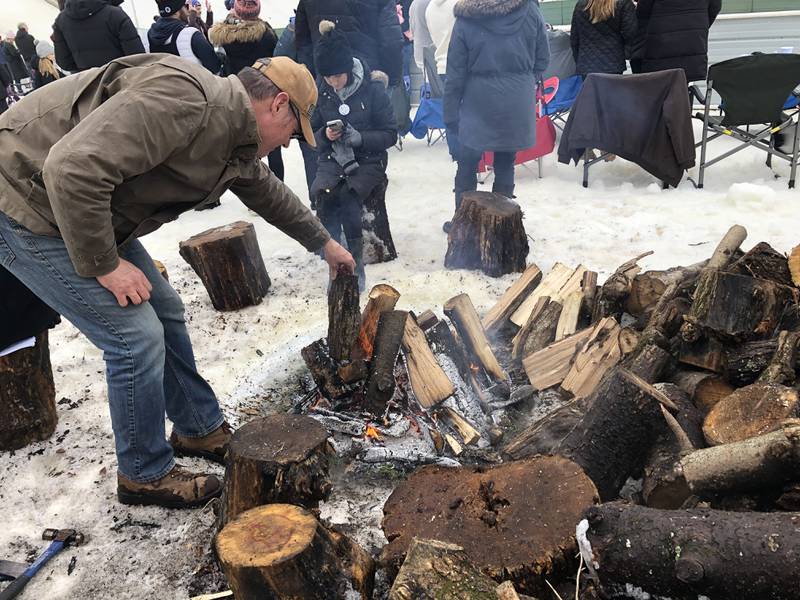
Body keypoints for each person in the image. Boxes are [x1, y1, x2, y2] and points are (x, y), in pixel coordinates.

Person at [0, 53, 355, 508]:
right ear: (278, 104)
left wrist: (323, 244)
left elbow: (264, 190)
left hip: (86, 206)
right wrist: (105, 265)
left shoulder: (229, 132)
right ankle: (143, 474)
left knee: (164, 309)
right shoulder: (186, 101)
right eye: (293, 131)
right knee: (134, 337)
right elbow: (69, 168)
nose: (289, 144)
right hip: (27, 202)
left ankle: (197, 428)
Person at [444, 0, 549, 229]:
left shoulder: (466, 17)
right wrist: (521, 80)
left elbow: (455, 72)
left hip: (477, 102)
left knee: (467, 162)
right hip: (517, 100)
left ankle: (463, 225)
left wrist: (450, 112)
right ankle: (501, 226)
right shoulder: (529, 9)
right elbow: (543, 58)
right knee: (505, 163)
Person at [310, 21, 397, 292]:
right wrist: (325, 135)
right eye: (328, 78)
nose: (334, 83)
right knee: (324, 195)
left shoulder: (373, 90)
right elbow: (311, 133)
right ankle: (335, 261)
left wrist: (359, 138)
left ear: (348, 69)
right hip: (333, 158)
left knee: (348, 197)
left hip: (368, 159)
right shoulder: (322, 91)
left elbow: (390, 134)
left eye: (338, 76)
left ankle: (355, 265)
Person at [210, 0, 283, 180]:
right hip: (266, 95)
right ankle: (278, 188)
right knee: (273, 147)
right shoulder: (267, 36)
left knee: (245, 149)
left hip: (237, 97)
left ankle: (253, 194)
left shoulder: (224, 37)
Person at [295, 0, 404, 88]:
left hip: (326, 79)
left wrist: (313, 77)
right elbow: (391, 41)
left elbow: (303, 41)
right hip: (369, 77)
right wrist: (392, 79)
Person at [633, 0, 722, 82]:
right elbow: (715, 7)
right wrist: (697, 29)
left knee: (658, 92)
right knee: (683, 90)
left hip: (661, 49)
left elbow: (643, 12)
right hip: (692, 47)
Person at [53, 0, 145, 72]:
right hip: (121, 81)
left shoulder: (61, 21)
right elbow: (138, 58)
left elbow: (65, 63)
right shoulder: (115, 15)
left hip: (88, 85)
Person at [148, 0, 222, 74]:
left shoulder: (149, 35)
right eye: (186, 7)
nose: (188, 11)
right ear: (177, 12)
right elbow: (215, 67)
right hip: (193, 83)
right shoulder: (191, 34)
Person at [570, 0, 637, 77]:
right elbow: (630, 33)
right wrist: (624, 54)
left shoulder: (580, 5)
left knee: (591, 89)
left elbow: (574, 38)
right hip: (613, 63)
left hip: (587, 64)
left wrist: (580, 60)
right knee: (612, 89)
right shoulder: (623, 3)